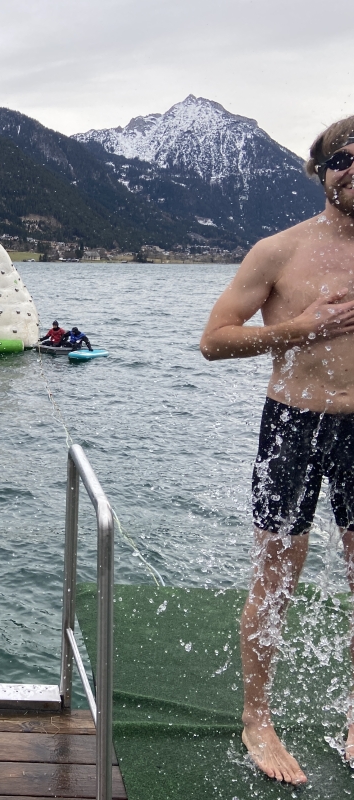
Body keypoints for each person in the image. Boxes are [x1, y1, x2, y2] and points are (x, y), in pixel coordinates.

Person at [200, 116, 354, 785]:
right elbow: (214, 339)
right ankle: (257, 720)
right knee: (274, 580)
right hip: (293, 424)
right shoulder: (279, 251)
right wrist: (300, 327)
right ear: (321, 172)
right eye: (343, 158)